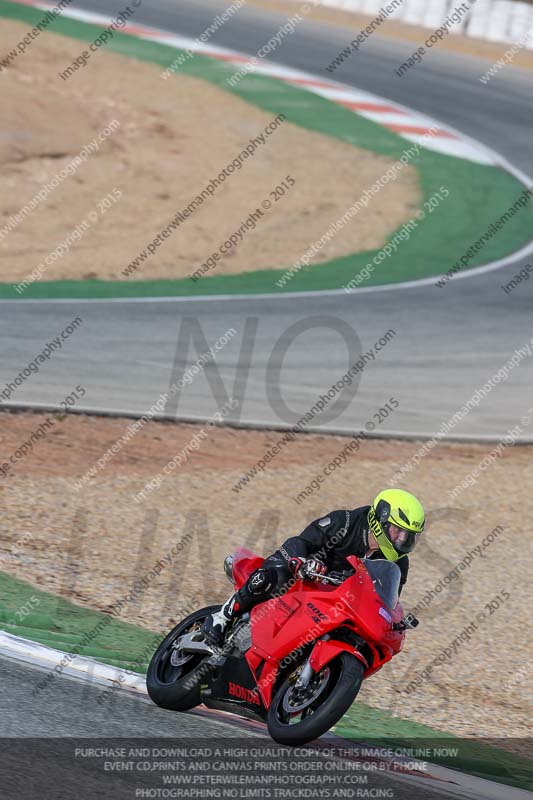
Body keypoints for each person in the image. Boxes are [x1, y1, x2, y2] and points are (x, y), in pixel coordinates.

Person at [201, 488, 425, 645]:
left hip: (333, 599)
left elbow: (387, 600)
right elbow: (302, 541)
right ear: (380, 520)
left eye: (409, 537)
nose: (402, 541)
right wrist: (302, 561)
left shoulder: (398, 563)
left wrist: (393, 623)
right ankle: (222, 616)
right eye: (399, 531)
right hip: (303, 575)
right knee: (275, 576)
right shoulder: (345, 522)